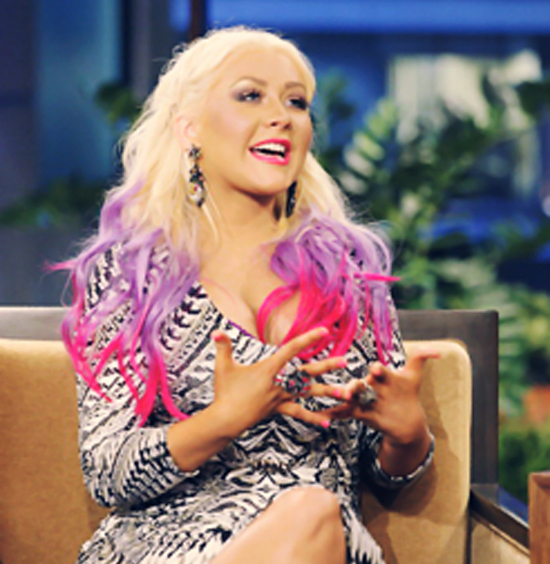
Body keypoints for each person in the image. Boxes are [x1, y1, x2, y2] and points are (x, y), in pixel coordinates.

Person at [60, 25, 436, 564]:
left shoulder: (346, 273)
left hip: (323, 537)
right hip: (167, 547)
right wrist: (224, 418)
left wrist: (408, 433)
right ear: (189, 127)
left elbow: (388, 474)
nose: (281, 115)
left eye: (296, 102)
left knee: (312, 511)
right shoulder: (131, 274)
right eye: (250, 95)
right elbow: (106, 470)